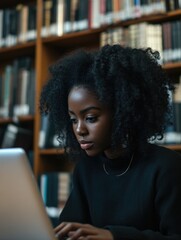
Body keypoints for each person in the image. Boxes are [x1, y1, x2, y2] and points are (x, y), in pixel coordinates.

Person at [40, 44, 181, 240]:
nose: (79, 129)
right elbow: (71, 230)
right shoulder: (86, 169)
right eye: (73, 119)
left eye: (90, 118)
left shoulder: (166, 167)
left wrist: (114, 236)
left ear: (123, 111)